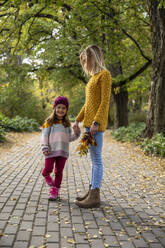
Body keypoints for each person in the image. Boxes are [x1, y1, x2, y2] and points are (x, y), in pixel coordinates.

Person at [73, 45, 112, 208]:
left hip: (95, 126)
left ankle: (95, 195)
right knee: (93, 160)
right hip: (89, 126)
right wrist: (77, 119)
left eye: (85, 59)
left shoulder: (105, 75)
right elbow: (88, 104)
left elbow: (104, 102)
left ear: (93, 57)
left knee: (97, 160)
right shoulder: (92, 78)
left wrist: (97, 122)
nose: (84, 63)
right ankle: (91, 191)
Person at [41, 96, 80, 200]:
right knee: (48, 169)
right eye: (58, 107)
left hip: (63, 152)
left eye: (63, 108)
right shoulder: (49, 122)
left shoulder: (67, 124)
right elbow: (44, 136)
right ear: (54, 108)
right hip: (50, 151)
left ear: (66, 110)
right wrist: (45, 147)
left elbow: (70, 138)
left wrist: (77, 132)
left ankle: (55, 190)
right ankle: (45, 175)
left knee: (59, 172)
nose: (61, 110)